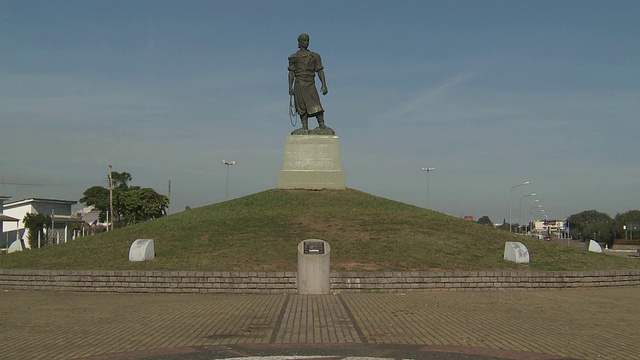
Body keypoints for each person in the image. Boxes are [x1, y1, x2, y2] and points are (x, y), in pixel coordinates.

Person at [288, 34, 330, 134]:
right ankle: (304, 126)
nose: (306, 42)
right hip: (299, 83)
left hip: (310, 83)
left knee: (316, 104)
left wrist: (324, 85)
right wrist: (290, 87)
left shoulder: (315, 56)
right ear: (299, 42)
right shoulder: (294, 57)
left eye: (308, 40)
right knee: (301, 105)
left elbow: (320, 70)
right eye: (304, 40)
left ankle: (321, 124)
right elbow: (291, 72)